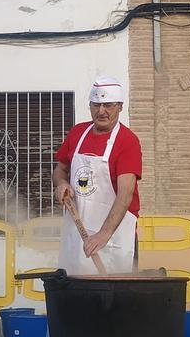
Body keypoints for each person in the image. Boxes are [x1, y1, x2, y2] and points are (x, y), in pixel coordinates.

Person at [52, 76, 142, 274]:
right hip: (77, 233)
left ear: (120, 106)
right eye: (96, 105)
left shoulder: (127, 141)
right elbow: (60, 170)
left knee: (115, 291)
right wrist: (61, 184)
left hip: (115, 238)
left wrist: (104, 234)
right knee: (75, 286)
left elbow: (125, 194)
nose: (101, 111)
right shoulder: (77, 133)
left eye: (108, 105)